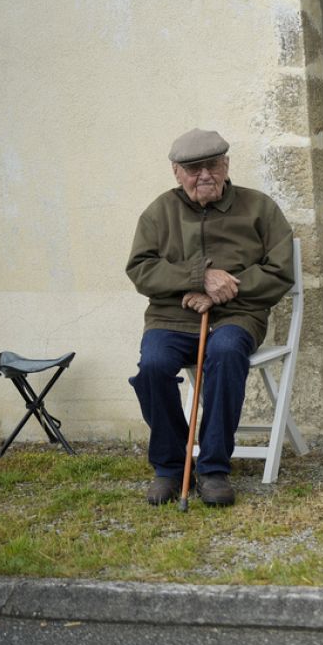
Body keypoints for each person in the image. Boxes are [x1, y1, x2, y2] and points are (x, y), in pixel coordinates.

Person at [126, 128, 294, 507]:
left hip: (239, 314)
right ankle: (171, 466)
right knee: (152, 366)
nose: (204, 175)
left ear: (227, 165)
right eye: (193, 168)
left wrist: (226, 287)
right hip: (172, 317)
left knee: (226, 352)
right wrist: (197, 277)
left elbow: (281, 270)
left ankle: (213, 467)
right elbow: (140, 269)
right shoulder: (159, 212)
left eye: (213, 165)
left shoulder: (259, 208)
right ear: (176, 172)